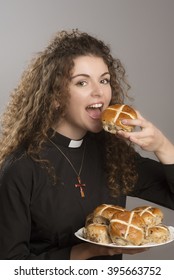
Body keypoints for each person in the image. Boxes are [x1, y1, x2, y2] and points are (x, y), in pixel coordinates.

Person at [0, 29, 174, 260]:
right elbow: (10, 267)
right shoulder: (21, 167)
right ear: (55, 96)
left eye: (104, 80)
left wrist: (163, 146)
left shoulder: (113, 155)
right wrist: (86, 251)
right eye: (82, 82)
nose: (99, 92)